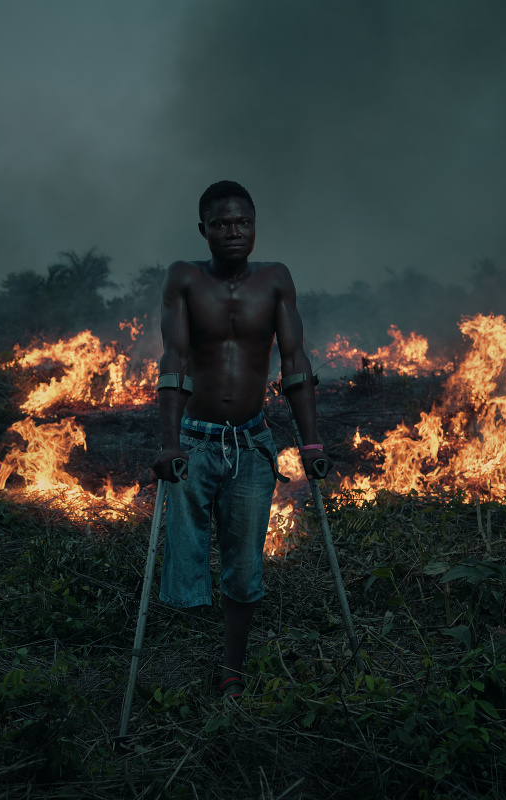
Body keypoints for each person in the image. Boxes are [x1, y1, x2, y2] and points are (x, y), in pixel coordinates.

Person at [152, 180, 325, 700]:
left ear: (255, 226)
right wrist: (168, 443)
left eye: (243, 222)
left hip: (251, 441)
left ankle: (231, 667)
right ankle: (176, 658)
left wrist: (311, 444)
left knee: (245, 562)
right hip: (196, 440)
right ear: (202, 229)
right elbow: (175, 360)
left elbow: (295, 363)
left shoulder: (275, 281)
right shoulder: (184, 278)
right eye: (222, 223)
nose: (234, 232)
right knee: (186, 559)